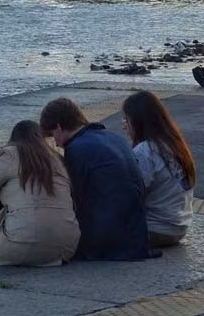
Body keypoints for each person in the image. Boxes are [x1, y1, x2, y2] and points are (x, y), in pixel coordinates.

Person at [0, 120, 80, 271]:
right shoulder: (58, 160)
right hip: (65, 246)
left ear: (14, 139)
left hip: (23, 245)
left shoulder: (11, 155)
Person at [39, 98, 149, 260]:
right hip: (136, 234)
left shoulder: (76, 149)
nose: (54, 142)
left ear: (59, 127)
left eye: (51, 135)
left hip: (106, 241)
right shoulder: (112, 137)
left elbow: (74, 198)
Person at [121, 91, 195, 248]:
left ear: (138, 121)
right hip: (179, 226)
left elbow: (134, 193)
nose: (123, 124)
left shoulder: (144, 150)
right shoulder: (174, 144)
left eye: (126, 119)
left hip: (155, 230)